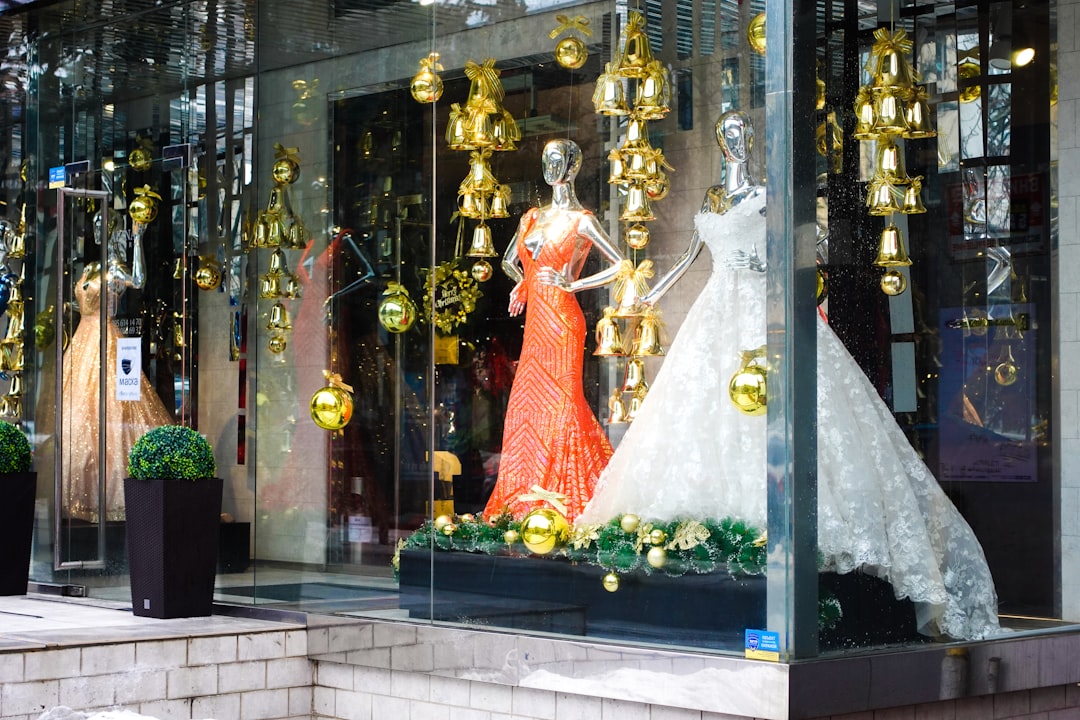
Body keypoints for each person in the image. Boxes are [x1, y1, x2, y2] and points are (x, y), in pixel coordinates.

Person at [578, 111, 1001, 641]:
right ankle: (716, 542)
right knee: (703, 413)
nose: (736, 141)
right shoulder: (712, 199)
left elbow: (816, 244)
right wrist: (650, 294)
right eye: (728, 134)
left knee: (782, 407)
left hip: (764, 308)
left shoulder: (765, 195)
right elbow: (690, 256)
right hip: (715, 310)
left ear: (752, 141)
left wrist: (776, 264)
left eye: (742, 134)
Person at [483, 138, 625, 523]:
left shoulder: (583, 221)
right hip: (536, 325)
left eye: (558, 159)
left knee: (563, 404)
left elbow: (620, 264)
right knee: (527, 406)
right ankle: (525, 496)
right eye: (546, 159)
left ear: (573, 166)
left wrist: (573, 284)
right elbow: (510, 261)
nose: (550, 167)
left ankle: (573, 493)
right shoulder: (530, 217)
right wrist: (524, 284)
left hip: (563, 321)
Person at [62, 217, 173, 523]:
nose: (99, 229)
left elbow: (138, 281)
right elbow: (83, 304)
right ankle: (80, 495)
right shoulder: (90, 268)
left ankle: (112, 494)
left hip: (106, 340)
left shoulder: (115, 268)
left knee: (112, 408)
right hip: (81, 340)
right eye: (95, 223)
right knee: (79, 413)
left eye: (104, 223)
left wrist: (138, 238)